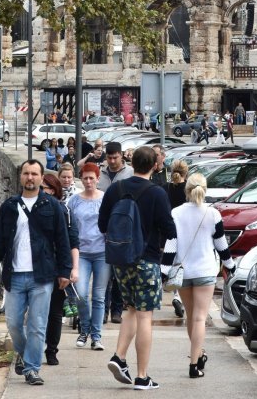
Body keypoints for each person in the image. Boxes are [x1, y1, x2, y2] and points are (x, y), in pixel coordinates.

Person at [0, 159, 72, 386]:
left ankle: (32, 369)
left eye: (34, 173)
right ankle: (24, 354)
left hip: (42, 276)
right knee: (13, 323)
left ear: (42, 178)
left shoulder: (52, 206)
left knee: (37, 324)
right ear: (21, 177)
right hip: (15, 275)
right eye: (26, 173)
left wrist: (65, 271)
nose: (30, 177)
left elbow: (63, 241)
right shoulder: (9, 206)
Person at [99, 146, 177, 390]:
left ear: (132, 164)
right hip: (147, 259)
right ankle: (142, 376)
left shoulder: (116, 189)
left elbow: (103, 224)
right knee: (145, 315)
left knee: (130, 308)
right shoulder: (157, 193)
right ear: (155, 165)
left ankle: (119, 357)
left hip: (121, 259)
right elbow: (170, 229)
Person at [161, 172, 235, 379]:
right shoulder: (213, 214)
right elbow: (222, 246)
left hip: (182, 272)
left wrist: (164, 271)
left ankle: (198, 354)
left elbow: (171, 245)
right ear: (205, 189)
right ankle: (195, 363)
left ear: (186, 189)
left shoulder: (176, 213)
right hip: (205, 271)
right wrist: (230, 265)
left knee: (190, 317)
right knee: (200, 318)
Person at [67, 163, 111, 350]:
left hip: (102, 252)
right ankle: (84, 330)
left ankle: (96, 336)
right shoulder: (74, 201)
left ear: (98, 178)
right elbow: (69, 226)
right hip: (81, 253)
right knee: (82, 294)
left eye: (91, 178)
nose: (88, 181)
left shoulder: (105, 199)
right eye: (85, 178)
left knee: (99, 297)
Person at [43, 173, 80, 366]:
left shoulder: (63, 211)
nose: (42, 192)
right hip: (37, 267)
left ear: (54, 190)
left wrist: (73, 268)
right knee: (37, 312)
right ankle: (33, 349)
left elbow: (73, 242)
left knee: (55, 311)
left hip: (57, 267)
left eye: (46, 188)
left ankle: (51, 350)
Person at [98, 141, 134, 324]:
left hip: (122, 227)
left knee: (118, 273)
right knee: (105, 274)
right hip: (104, 227)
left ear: (121, 156)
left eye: (115, 157)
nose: (112, 161)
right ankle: (103, 310)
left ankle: (117, 310)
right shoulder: (100, 174)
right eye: (109, 158)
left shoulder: (129, 174)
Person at [162, 159, 189, 319]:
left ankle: (176, 294)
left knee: (173, 264)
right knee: (184, 265)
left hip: (170, 231)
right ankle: (179, 297)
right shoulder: (189, 189)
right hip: (186, 231)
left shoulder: (165, 188)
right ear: (186, 172)